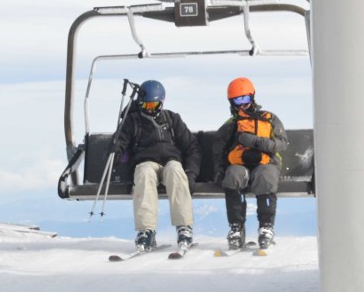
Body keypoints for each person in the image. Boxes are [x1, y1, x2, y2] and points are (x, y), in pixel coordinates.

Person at [113, 80, 201, 252]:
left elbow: (192, 147)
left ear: (162, 102)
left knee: (176, 170)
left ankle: (184, 227)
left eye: (154, 105)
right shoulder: (133, 121)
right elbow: (120, 143)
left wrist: (191, 173)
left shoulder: (171, 119)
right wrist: (115, 149)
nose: (150, 109)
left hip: (170, 161)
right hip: (146, 161)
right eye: (146, 105)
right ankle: (146, 231)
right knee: (144, 172)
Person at [212, 77, 288, 250]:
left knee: (265, 177)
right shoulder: (231, 125)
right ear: (231, 102)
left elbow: (282, 143)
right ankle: (236, 227)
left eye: (245, 99)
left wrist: (254, 142)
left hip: (266, 163)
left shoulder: (269, 119)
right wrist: (219, 170)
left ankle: (266, 226)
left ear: (252, 97)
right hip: (240, 165)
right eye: (237, 100)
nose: (242, 105)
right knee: (233, 176)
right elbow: (218, 150)